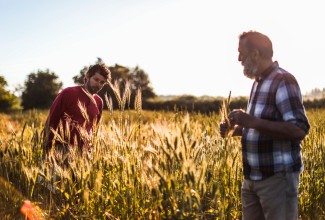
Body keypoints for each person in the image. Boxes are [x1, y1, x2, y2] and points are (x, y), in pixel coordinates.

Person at [220, 31, 310, 220]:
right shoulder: (258, 83)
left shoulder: (283, 80)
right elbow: (260, 127)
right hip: (251, 179)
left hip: (277, 179)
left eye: (241, 53)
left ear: (255, 54)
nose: (238, 59)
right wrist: (236, 130)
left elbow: (299, 129)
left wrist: (251, 121)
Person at [43, 63, 111, 155]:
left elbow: (95, 129)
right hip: (63, 150)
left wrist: (92, 150)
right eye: (96, 79)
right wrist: (46, 150)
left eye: (102, 82)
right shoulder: (68, 93)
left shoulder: (99, 102)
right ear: (87, 76)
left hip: (86, 153)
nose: (98, 84)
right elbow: (52, 121)